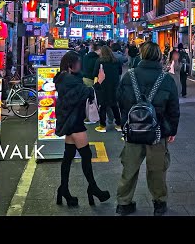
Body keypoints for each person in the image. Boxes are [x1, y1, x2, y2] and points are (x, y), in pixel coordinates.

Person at [116, 42, 180, 215]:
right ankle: (159, 204)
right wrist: (172, 130)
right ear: (159, 56)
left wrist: (124, 124)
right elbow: (173, 108)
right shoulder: (166, 79)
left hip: (133, 133)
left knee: (129, 169)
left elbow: (120, 102)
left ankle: (124, 203)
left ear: (142, 55)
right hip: (157, 133)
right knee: (157, 170)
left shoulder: (129, 76)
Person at [54, 51, 110, 207]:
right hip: (74, 122)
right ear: (70, 66)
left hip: (70, 120)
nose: (80, 65)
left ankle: (63, 189)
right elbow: (84, 94)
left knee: (69, 156)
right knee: (86, 155)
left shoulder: (65, 78)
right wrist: (99, 82)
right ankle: (93, 188)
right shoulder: (69, 81)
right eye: (77, 63)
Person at [93, 45, 123, 133]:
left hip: (103, 86)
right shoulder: (116, 61)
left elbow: (95, 73)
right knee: (114, 105)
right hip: (114, 85)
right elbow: (120, 72)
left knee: (102, 106)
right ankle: (119, 125)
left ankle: (102, 126)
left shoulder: (99, 61)